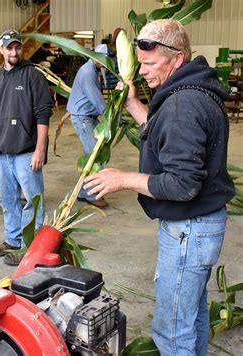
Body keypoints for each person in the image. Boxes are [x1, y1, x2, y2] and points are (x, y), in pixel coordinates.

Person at [84, 19, 235, 355]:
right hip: (202, 225)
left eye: (150, 64)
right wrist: (132, 105)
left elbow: (182, 184)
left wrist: (122, 178)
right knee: (191, 316)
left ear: (177, 59)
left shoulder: (183, 104)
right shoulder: (194, 90)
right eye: (140, 63)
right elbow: (166, 133)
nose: (144, 72)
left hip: (189, 230)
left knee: (171, 331)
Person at [0, 29, 53, 266]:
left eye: (17, 47)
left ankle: (29, 247)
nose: (14, 52)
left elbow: (43, 113)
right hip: (2, 152)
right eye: (9, 47)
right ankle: (12, 240)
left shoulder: (33, 76)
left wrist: (40, 149)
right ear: (1, 49)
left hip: (26, 152)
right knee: (7, 199)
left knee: (33, 201)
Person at [66, 44, 110, 208]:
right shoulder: (87, 73)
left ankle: (85, 192)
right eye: (102, 59)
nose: (104, 63)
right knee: (95, 154)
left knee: (92, 154)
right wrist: (109, 114)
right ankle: (91, 194)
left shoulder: (96, 70)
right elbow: (96, 98)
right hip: (83, 118)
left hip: (89, 116)